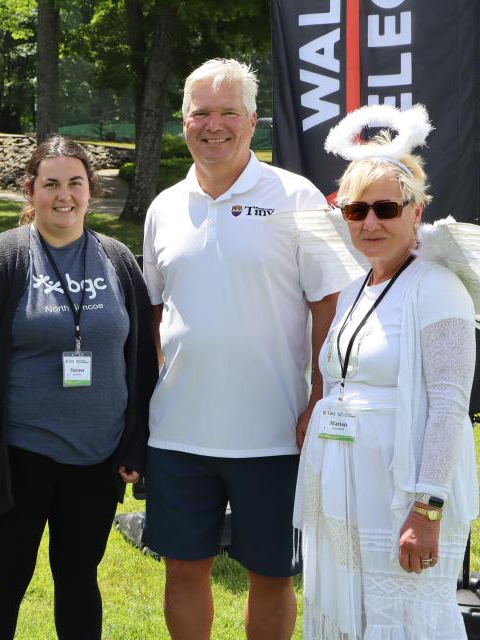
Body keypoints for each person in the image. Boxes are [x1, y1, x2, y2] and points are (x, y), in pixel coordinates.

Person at [141, 58, 361, 640]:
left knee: (271, 574)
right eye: (201, 113)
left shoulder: (298, 196)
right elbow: (156, 311)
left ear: (253, 120)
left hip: (274, 434)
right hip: (178, 433)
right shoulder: (164, 207)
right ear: (183, 121)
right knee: (183, 570)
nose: (214, 125)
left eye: (228, 112)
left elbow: (330, 305)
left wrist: (319, 398)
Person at [294, 104, 480, 638]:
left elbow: (448, 405)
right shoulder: (352, 290)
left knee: (405, 620)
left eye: (386, 208)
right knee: (350, 617)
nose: (370, 222)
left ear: (416, 212)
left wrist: (428, 508)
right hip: (343, 489)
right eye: (356, 210)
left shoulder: (437, 288)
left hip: (400, 498)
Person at [0, 135, 158, 640]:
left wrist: (135, 442)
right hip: (20, 457)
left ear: (90, 190)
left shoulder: (116, 259)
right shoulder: (2, 258)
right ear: (31, 190)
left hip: (97, 458)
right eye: (50, 184)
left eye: (75, 183)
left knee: (79, 580)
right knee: (3, 583)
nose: (63, 195)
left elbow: (140, 361)